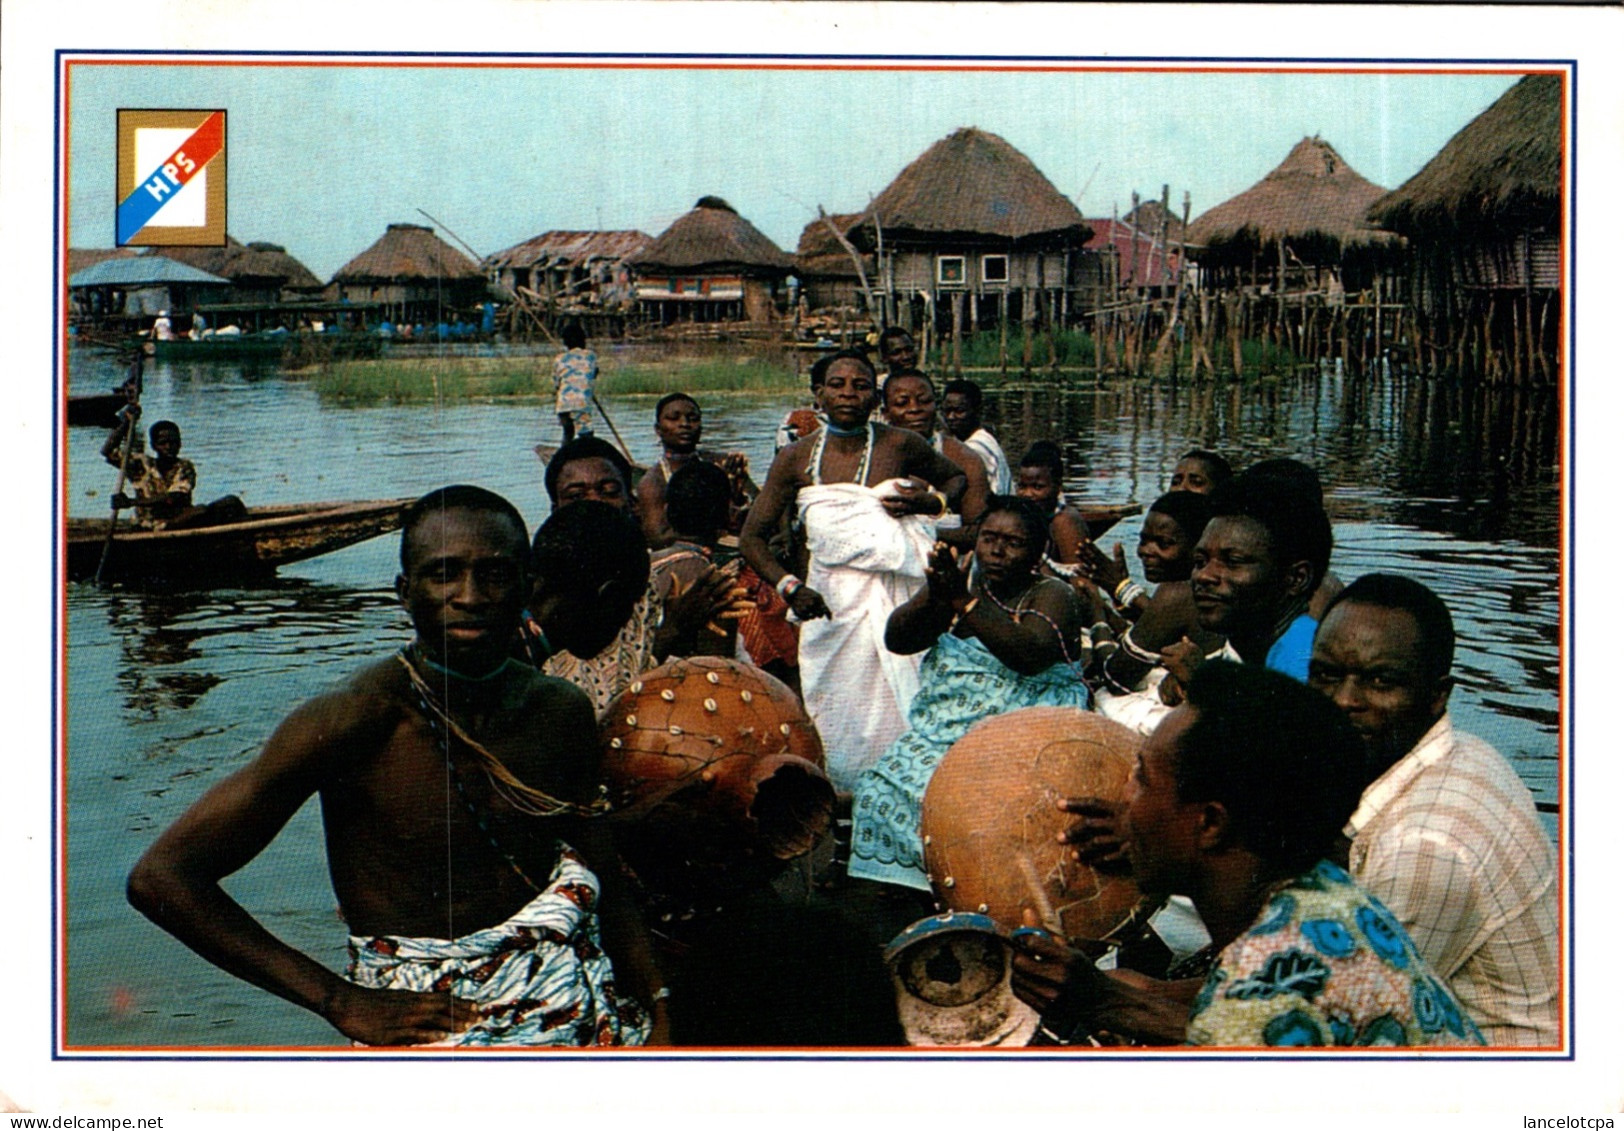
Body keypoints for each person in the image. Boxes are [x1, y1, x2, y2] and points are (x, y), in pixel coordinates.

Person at [127, 486, 665, 1047]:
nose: (470, 596)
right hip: (424, 1017)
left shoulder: (559, 710)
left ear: (527, 588)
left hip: (571, 996)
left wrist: (658, 1004)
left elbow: (606, 876)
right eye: (443, 574)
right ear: (405, 594)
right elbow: (162, 878)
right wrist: (338, 999)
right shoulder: (356, 717)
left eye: (495, 574)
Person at [1010, 660, 1484, 1048]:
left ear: (1211, 824)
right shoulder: (1324, 888)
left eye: (1143, 778)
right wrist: (1105, 998)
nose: (1124, 795)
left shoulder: (1254, 1012)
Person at [1308, 574, 1560, 1046]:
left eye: (1381, 681)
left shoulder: (1423, 849)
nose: (1344, 700)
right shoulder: (1462, 749)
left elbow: (1330, 1023)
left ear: (1437, 695)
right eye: (1325, 675)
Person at [739, 349, 966, 796]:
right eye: (837, 384)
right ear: (817, 394)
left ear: (875, 397)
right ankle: (842, 799)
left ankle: (910, 794)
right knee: (837, 711)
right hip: (828, 604)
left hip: (899, 597)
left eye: (861, 385)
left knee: (905, 697)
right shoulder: (795, 459)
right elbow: (752, 538)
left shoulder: (900, 444)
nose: (848, 393)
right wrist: (791, 587)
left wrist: (929, 503)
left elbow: (957, 480)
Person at [848, 496, 1088, 890]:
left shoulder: (1053, 594)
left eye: (1013, 543)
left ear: (1037, 551)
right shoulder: (967, 584)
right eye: (989, 538)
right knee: (880, 784)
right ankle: (916, 887)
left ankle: (969, 887)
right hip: (949, 729)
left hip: (1022, 728)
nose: (997, 550)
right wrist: (936, 593)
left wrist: (963, 600)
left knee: (967, 799)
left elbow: (1029, 656)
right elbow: (899, 639)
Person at [534, 437, 745, 715]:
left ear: (630, 502)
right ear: (555, 508)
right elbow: (593, 694)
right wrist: (674, 628)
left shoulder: (649, 571)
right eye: (576, 495)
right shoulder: (547, 583)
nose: (595, 503)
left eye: (609, 491)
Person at [1186, 470, 1332, 681]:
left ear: (1297, 579)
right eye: (1200, 562)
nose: (1204, 576)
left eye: (1233, 562)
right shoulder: (1266, 648)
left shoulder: (1303, 664)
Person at [648, 460, 747, 659]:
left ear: (666, 513)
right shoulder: (713, 584)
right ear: (728, 514)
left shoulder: (646, 562)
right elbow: (719, 665)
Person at [880, 368, 990, 546]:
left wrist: (921, 533)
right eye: (902, 403)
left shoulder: (964, 458)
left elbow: (980, 531)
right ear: (885, 413)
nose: (915, 409)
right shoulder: (874, 454)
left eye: (924, 401)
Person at [633, 392, 755, 549]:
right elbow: (658, 538)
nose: (685, 424)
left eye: (693, 418)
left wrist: (736, 492)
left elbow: (760, 507)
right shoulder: (653, 482)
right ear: (658, 429)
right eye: (673, 418)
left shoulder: (721, 463)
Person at [100, 409, 244, 531]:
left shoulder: (185, 467)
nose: (169, 447)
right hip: (149, 524)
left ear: (180, 444)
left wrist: (131, 502)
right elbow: (108, 451)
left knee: (230, 503)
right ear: (154, 446)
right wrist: (126, 423)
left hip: (179, 522)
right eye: (163, 443)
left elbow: (173, 498)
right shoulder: (140, 465)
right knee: (202, 510)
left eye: (174, 442)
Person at [1014, 441, 1091, 578]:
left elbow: (1083, 586)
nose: (1027, 494)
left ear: (1058, 487)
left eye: (1037, 487)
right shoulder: (1026, 518)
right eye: (1022, 486)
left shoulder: (1064, 523)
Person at [941, 379, 1012, 495]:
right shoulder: (982, 439)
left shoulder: (977, 448)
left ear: (978, 411)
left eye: (959, 411)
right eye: (947, 411)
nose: (951, 417)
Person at [551, 322, 597, 442]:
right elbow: (593, 373)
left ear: (565, 343)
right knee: (587, 435)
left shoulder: (559, 358)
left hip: (563, 404)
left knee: (568, 432)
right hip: (581, 403)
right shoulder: (590, 356)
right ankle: (587, 455)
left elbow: (556, 384)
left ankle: (563, 456)